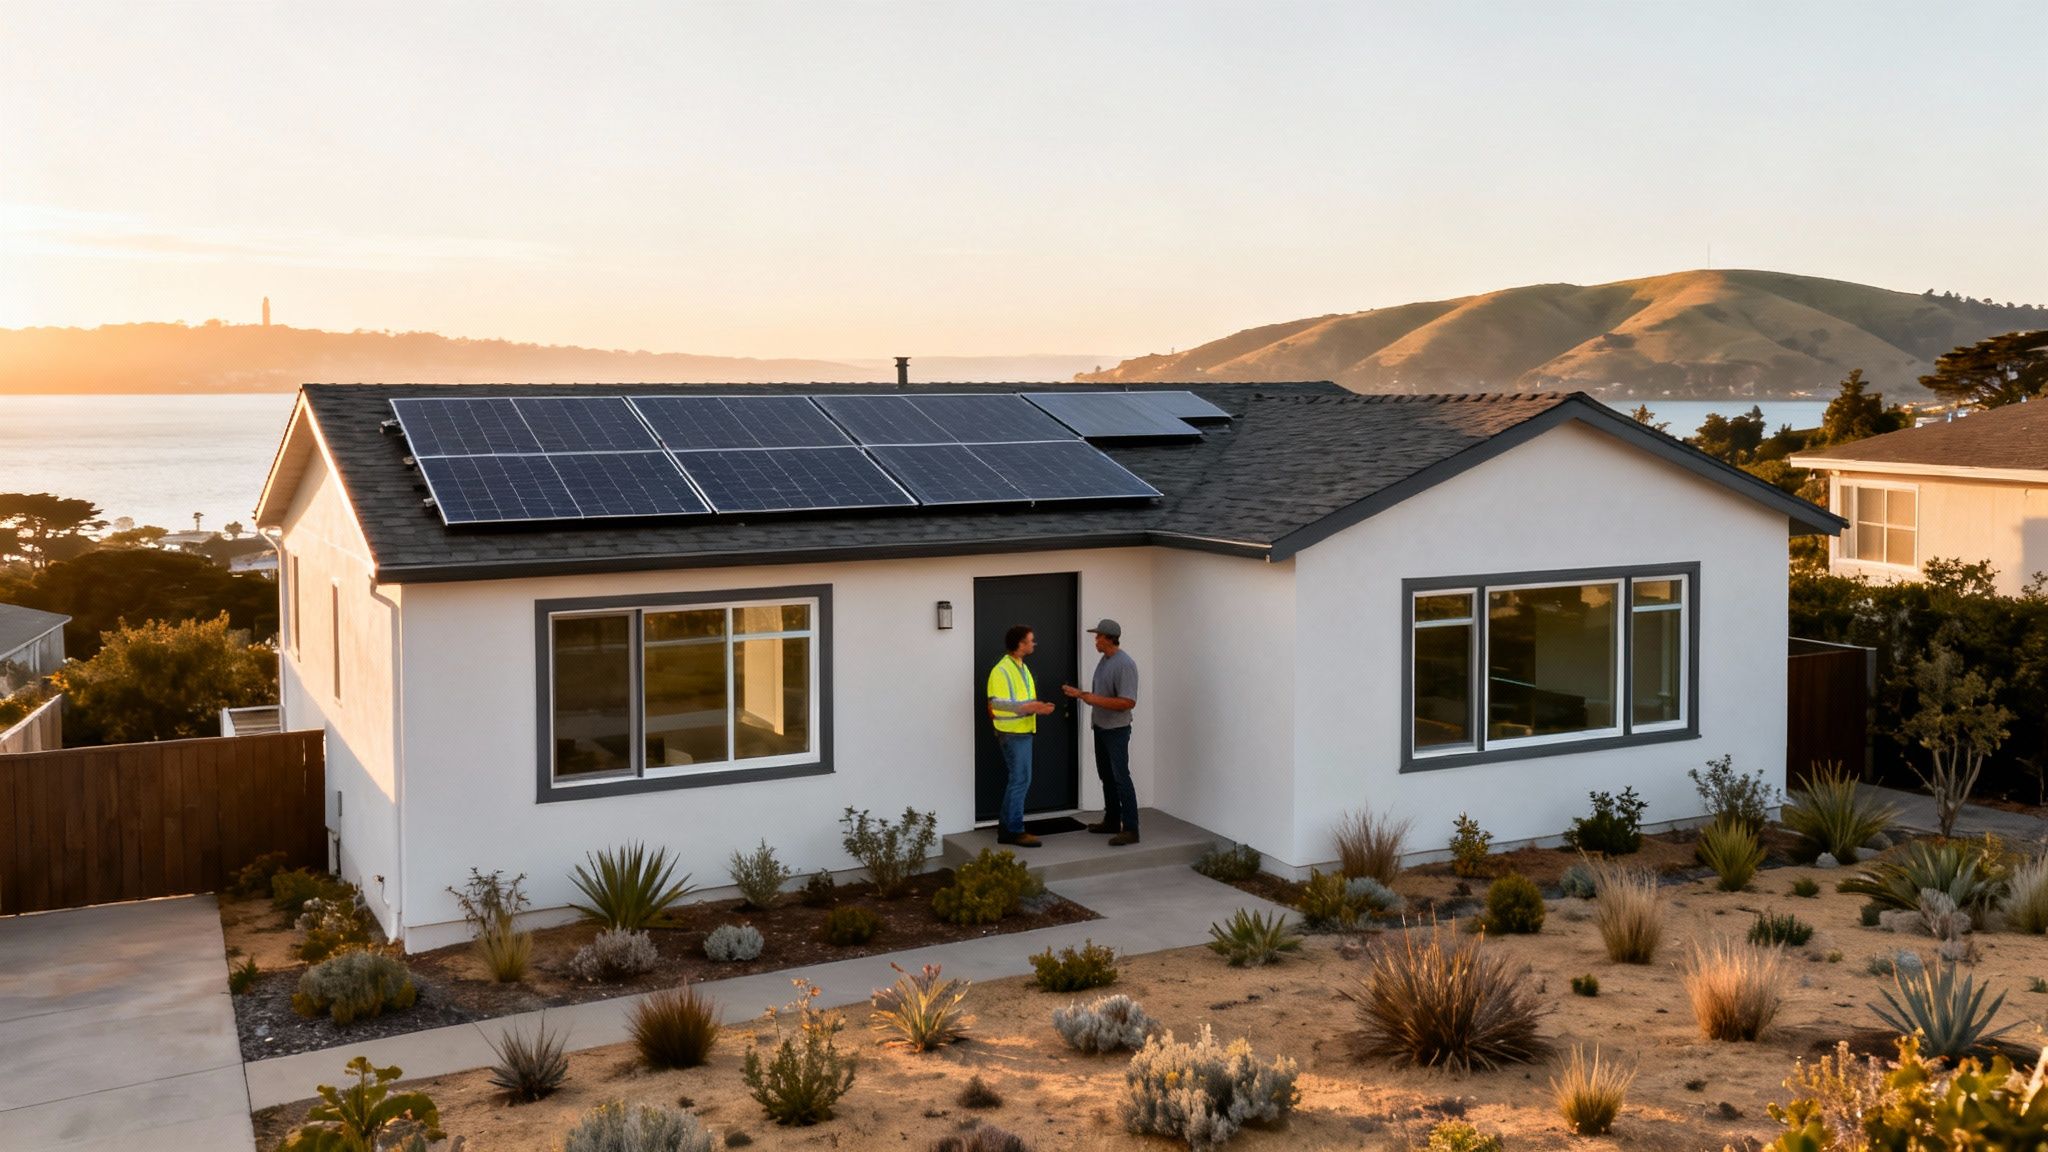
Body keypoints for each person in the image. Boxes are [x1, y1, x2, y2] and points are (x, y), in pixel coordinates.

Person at [1063, 618, 1140, 845]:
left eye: (1098, 636)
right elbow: (1102, 695)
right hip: (1101, 728)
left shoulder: (1124, 664)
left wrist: (1092, 699)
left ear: (1108, 638)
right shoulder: (1104, 661)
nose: (1095, 640)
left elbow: (1128, 701)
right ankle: (1112, 821)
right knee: (1106, 776)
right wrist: (1081, 694)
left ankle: (1132, 829)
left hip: (1116, 730)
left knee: (1121, 778)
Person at [987, 623, 1056, 847]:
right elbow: (995, 704)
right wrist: (1029, 708)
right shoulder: (1001, 670)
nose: (1034, 643)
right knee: (1020, 781)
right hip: (1012, 734)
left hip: (1023, 731)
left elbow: (1023, 701)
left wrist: (1037, 708)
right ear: (1020, 644)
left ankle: (1007, 828)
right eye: (1030, 640)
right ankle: (1014, 830)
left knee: (1019, 780)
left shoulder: (1022, 667)